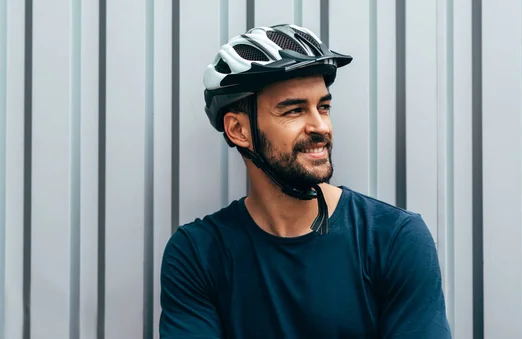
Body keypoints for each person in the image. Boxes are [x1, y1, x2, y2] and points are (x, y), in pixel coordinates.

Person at [159, 24, 452, 339]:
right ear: (239, 130)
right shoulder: (197, 254)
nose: (321, 127)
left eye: (323, 107)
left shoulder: (392, 239)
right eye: (295, 110)